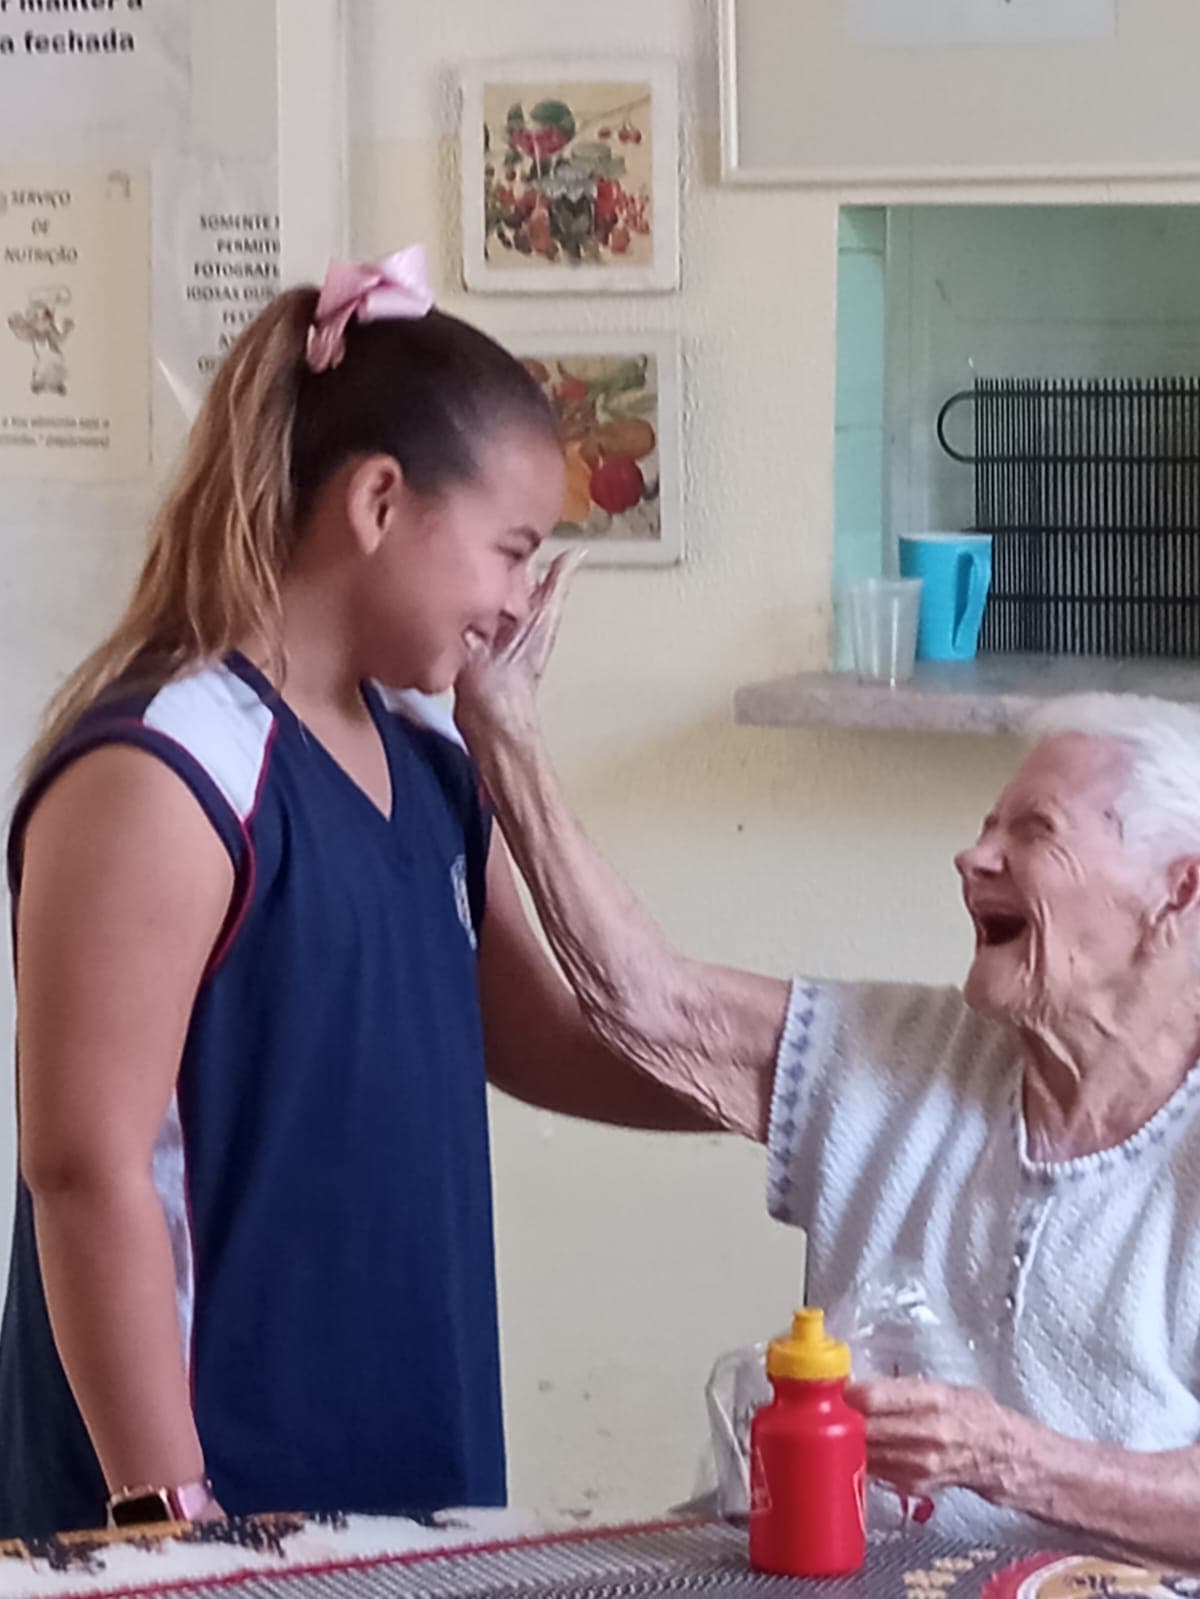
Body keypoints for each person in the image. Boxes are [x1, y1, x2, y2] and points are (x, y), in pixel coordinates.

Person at [0, 246, 716, 1542]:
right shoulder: (165, 770)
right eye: (511, 551)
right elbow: (82, 1163)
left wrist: (822, 1102)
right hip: (199, 1474)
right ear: (380, 500)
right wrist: (167, 1514)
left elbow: (540, 1031)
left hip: (399, 1422)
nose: (518, 606)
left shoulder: (432, 761)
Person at [454, 585, 1200, 1563]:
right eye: (988, 824)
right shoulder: (897, 1050)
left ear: (1176, 890)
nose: (973, 857)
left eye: (1034, 832)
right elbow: (650, 1004)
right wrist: (498, 738)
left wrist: (1012, 1458)